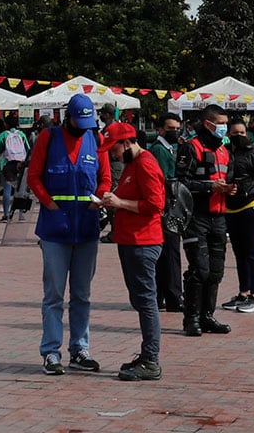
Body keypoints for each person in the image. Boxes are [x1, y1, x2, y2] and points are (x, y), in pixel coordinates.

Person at [27, 92, 113, 375]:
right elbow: (34, 176)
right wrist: (49, 203)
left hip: (86, 229)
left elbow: (106, 177)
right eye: (79, 122)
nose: (83, 127)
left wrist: (98, 197)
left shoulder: (95, 139)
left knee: (82, 295)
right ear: (68, 118)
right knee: (53, 295)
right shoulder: (48, 139)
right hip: (54, 229)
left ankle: (80, 349)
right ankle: (51, 352)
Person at [100, 121, 166, 382]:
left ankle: (151, 359)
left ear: (127, 143)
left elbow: (155, 204)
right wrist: (110, 201)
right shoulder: (132, 165)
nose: (112, 154)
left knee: (146, 301)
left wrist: (120, 203)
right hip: (131, 241)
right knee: (140, 300)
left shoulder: (146, 163)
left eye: (114, 149)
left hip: (143, 242)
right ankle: (147, 355)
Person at [175, 104, 233, 338]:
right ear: (208, 124)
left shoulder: (224, 151)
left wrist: (230, 188)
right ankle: (191, 319)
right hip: (196, 217)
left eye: (225, 124)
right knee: (200, 270)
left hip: (219, 217)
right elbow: (179, 184)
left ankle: (207, 316)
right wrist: (210, 187)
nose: (224, 128)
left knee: (216, 271)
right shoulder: (191, 148)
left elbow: (226, 177)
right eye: (220, 123)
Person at [219, 118, 254, 314]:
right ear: (228, 135)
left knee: (251, 252)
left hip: (251, 206)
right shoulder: (225, 153)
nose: (240, 136)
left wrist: (248, 190)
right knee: (239, 253)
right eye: (235, 133)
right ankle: (243, 293)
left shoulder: (253, 153)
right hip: (231, 209)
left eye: (243, 132)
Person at [144, 116, 184, 314]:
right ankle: (174, 296)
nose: (175, 131)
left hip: (167, 204)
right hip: (166, 205)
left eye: (177, 128)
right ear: (160, 130)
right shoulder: (159, 150)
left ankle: (162, 295)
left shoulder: (169, 148)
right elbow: (162, 180)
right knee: (170, 252)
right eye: (171, 128)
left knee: (165, 253)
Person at [0, 117, 31, 222]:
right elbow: (28, 149)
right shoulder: (21, 135)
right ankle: (21, 215)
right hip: (20, 165)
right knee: (21, 190)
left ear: (6, 124)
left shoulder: (3, 135)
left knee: (7, 190)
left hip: (7, 165)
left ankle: (6, 214)